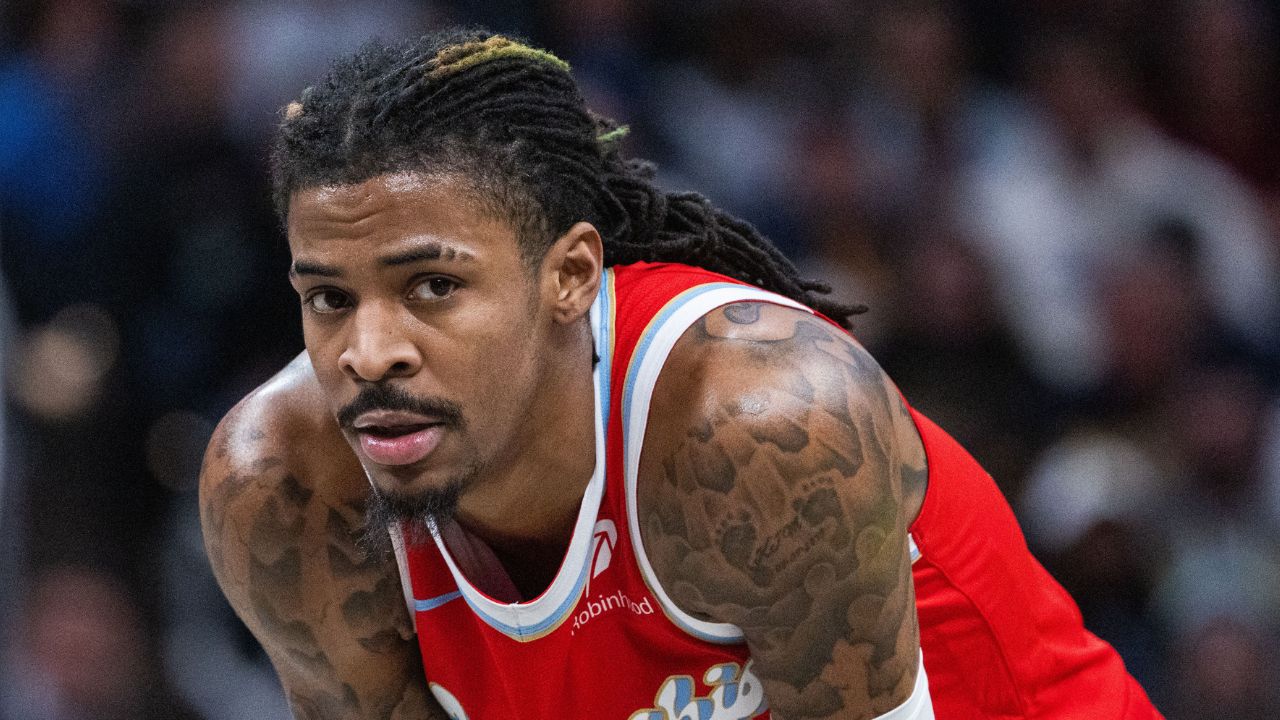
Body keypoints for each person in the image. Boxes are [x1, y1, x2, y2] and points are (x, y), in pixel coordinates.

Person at [199, 29, 1164, 720]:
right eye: (329, 299)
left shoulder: (759, 423)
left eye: (434, 287)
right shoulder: (280, 486)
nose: (370, 353)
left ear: (570, 276)